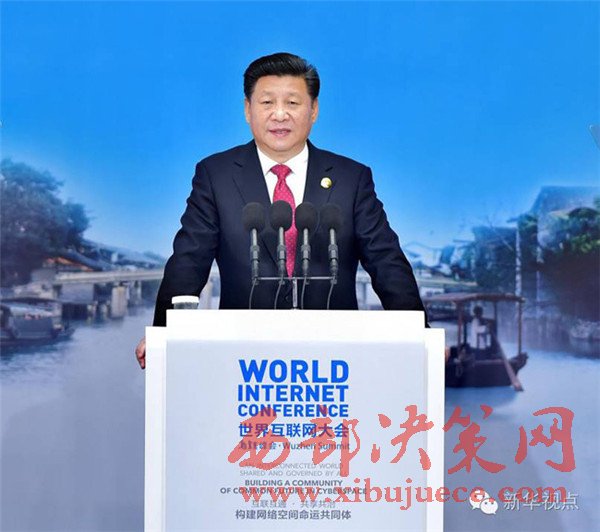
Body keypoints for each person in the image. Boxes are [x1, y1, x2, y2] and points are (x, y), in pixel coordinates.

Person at [135, 52, 426, 369]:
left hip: (335, 359)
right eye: (267, 102)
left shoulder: (350, 178)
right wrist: (163, 333)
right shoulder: (216, 175)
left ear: (313, 110)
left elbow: (385, 260)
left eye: (292, 103)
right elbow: (190, 259)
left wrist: (419, 334)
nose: (279, 114)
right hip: (241, 358)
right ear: (248, 110)